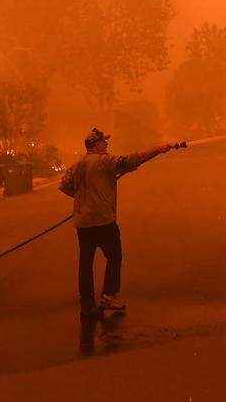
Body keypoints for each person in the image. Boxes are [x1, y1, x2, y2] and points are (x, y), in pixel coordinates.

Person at [59, 127, 175, 316]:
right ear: (95, 145)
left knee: (85, 264)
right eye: (104, 142)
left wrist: (83, 199)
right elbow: (130, 160)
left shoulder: (77, 165)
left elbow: (63, 186)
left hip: (82, 223)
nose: (107, 144)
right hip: (104, 221)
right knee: (114, 257)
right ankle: (108, 296)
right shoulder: (105, 161)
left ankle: (87, 306)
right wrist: (157, 149)